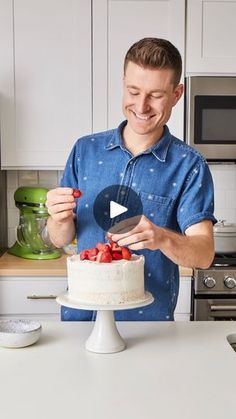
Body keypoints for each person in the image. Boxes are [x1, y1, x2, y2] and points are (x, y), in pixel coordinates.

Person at [46, 38, 216, 321]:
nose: (142, 105)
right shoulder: (84, 150)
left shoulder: (190, 165)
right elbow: (60, 239)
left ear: (177, 94)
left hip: (148, 329)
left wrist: (162, 237)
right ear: (123, 82)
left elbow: (204, 254)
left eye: (156, 95)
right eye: (133, 91)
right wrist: (58, 219)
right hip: (79, 322)